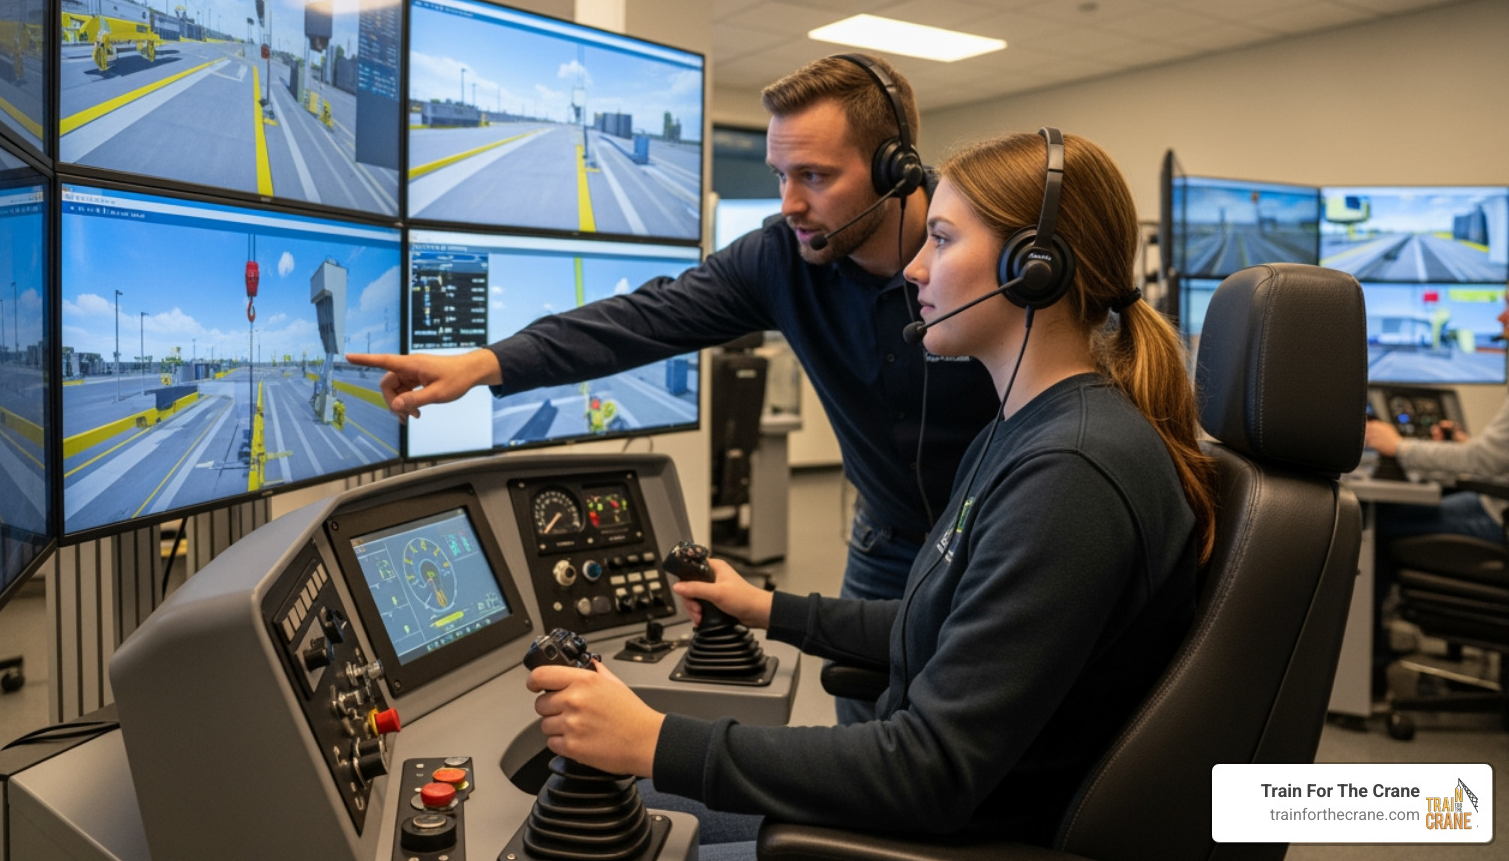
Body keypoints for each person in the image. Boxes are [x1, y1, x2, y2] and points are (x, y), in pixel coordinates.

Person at [523, 131, 1216, 848]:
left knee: (618, 810)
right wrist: (765, 607)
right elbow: (950, 630)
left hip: (959, 836)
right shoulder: (1027, 430)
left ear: (1032, 269)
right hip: (958, 813)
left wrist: (655, 739)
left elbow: (930, 769)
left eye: (942, 241)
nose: (914, 268)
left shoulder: (1071, 475)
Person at [349, 56, 996, 619]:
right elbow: (645, 318)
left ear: (895, 170)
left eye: (815, 177)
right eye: (779, 175)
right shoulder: (780, 259)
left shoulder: (990, 247)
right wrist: (485, 363)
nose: (787, 204)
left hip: (1007, 537)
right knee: (869, 726)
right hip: (886, 544)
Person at [1363, 290, 1509, 695]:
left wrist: (1399, 447)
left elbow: (1484, 460)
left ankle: (1370, 668)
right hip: (1495, 502)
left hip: (1496, 517)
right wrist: (1461, 443)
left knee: (1375, 524)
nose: (1500, 319)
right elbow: (1494, 457)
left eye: (1508, 307)